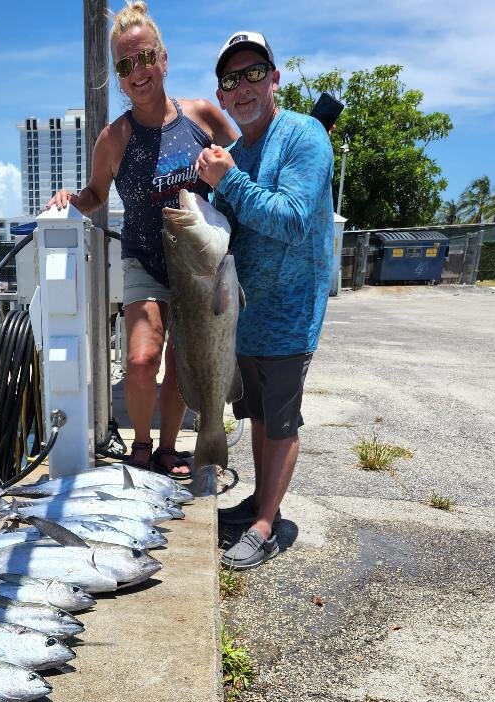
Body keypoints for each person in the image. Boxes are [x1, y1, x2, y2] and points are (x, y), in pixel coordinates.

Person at [46, 1, 236, 479]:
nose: (138, 71)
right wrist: (70, 198)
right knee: (141, 358)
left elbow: (244, 156)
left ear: (163, 59)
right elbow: (95, 195)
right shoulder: (114, 138)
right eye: (125, 65)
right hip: (144, 261)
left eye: (146, 57)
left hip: (198, 263)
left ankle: (169, 449)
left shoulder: (201, 116)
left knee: (181, 360)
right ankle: (142, 445)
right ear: (117, 76)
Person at [195, 31, 334, 569]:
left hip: (290, 313)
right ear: (222, 95)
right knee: (255, 414)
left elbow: (293, 221)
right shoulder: (230, 155)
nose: (244, 87)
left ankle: (265, 526)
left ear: (274, 79)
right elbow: (223, 228)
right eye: (232, 79)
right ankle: (259, 501)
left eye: (254, 73)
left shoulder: (304, 136)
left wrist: (229, 182)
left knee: (280, 422)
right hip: (242, 317)